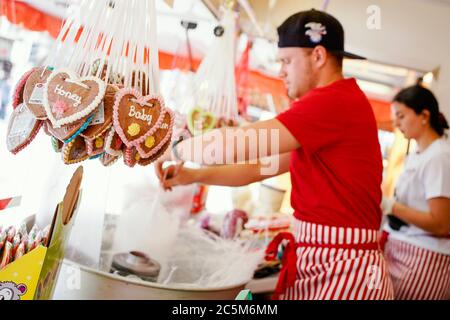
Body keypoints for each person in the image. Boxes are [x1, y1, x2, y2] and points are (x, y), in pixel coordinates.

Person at [156, 9, 393, 300]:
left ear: (318, 56)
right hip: (329, 262)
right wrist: (191, 174)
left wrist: (171, 145)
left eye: (286, 61)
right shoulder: (334, 105)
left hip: (345, 272)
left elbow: (233, 146)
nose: (280, 71)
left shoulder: (332, 102)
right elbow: (258, 166)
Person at [381, 85, 450, 300]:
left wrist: (391, 206)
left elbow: (441, 223)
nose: (396, 123)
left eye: (401, 116)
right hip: (402, 250)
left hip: (424, 259)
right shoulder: (419, 154)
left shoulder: (439, 155)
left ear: (424, 115)